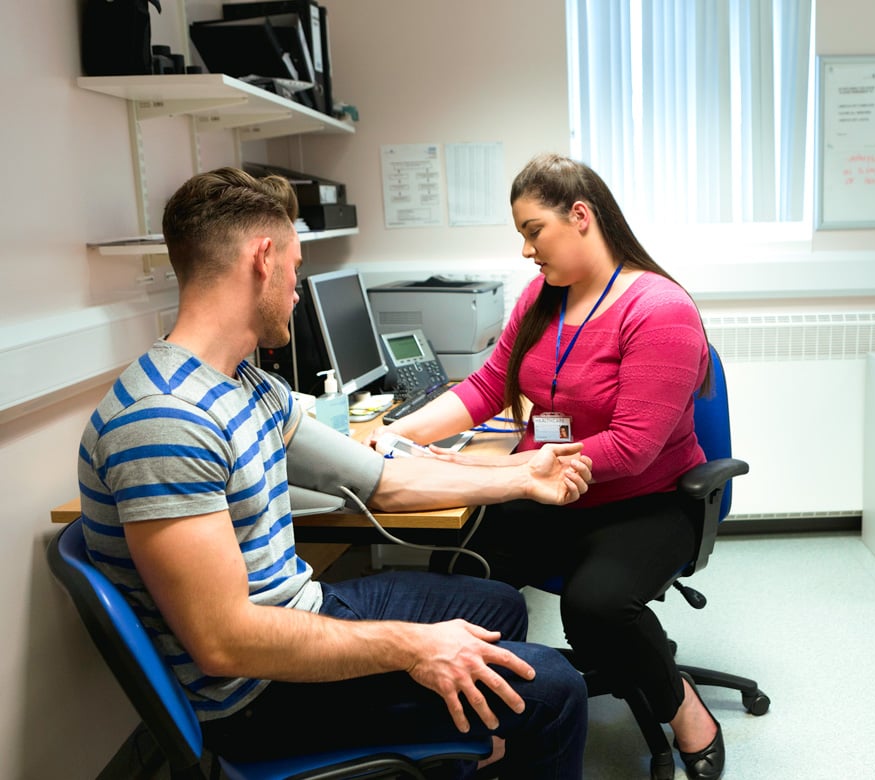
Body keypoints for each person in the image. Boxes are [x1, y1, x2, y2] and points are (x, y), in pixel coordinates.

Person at [76, 167, 595, 778]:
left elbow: (380, 481)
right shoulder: (164, 422)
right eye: (295, 269)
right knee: (556, 689)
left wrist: (522, 479)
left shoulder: (246, 386)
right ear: (263, 259)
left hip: (300, 609)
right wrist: (413, 647)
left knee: (497, 606)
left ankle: (449, 756)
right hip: (256, 697)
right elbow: (224, 643)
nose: (297, 292)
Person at [367, 153, 725, 779]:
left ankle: (683, 706)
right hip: (547, 490)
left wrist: (503, 473)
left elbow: (633, 447)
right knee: (460, 567)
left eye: (534, 230)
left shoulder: (659, 309)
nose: (527, 250)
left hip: (646, 500)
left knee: (595, 608)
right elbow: (487, 386)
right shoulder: (541, 297)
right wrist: (394, 434)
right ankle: (492, 713)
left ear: (580, 216)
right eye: (522, 235)